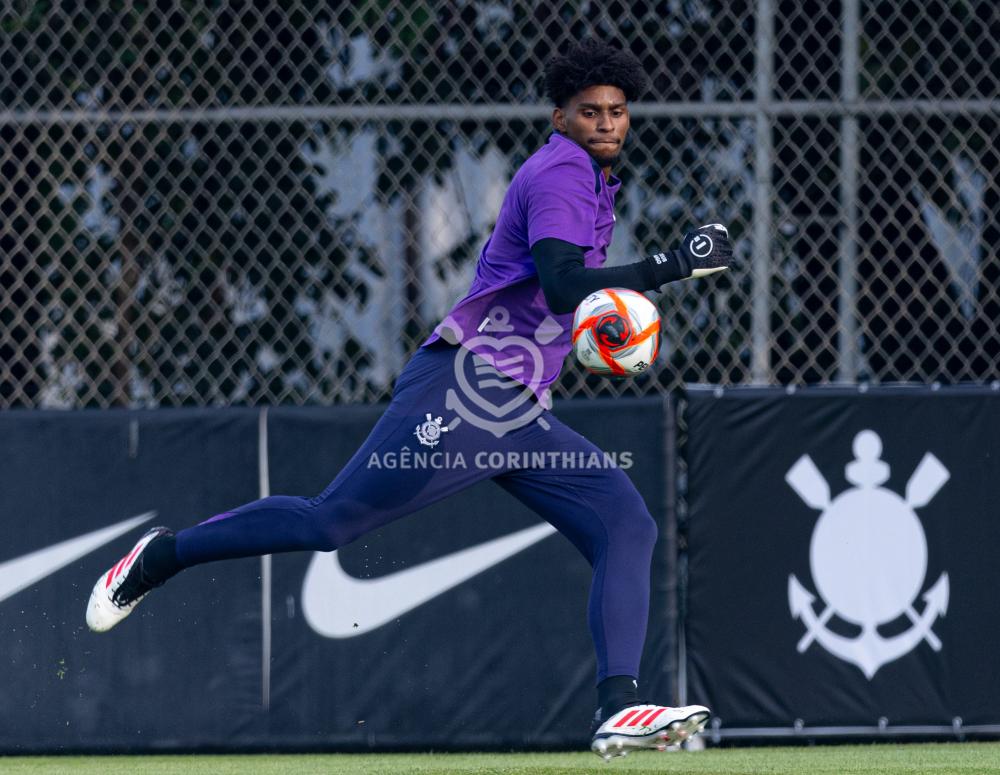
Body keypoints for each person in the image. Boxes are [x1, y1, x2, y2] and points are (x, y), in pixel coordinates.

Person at [85, 38, 731, 760]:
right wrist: (671, 266)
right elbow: (557, 284)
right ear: (560, 118)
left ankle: (619, 707)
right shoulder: (560, 171)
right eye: (590, 112)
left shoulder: (592, 179)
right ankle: (159, 557)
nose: (607, 123)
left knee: (626, 523)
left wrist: (609, 312)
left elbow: (560, 299)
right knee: (330, 522)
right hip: (464, 389)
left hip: (516, 407)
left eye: (617, 111)